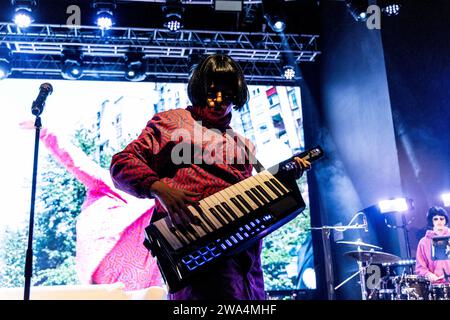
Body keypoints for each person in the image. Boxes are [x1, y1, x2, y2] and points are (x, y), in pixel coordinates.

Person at [110, 53, 311, 300]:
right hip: (197, 255)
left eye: (226, 95)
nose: (218, 101)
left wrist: (287, 177)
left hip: (247, 265)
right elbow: (122, 163)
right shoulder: (170, 122)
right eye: (211, 91)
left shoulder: (243, 144)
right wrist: (159, 187)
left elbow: (250, 201)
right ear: (199, 89)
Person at [19, 120, 163, 291]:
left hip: (131, 279)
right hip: (109, 265)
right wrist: (45, 132)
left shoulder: (163, 201)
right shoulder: (115, 184)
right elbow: (78, 163)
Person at [415, 206, 450, 283]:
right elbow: (420, 267)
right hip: (436, 286)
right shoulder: (423, 242)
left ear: (445, 221)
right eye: (435, 219)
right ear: (432, 221)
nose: (439, 221)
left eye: (441, 218)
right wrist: (429, 275)